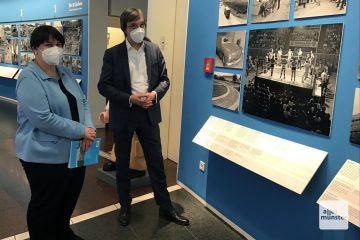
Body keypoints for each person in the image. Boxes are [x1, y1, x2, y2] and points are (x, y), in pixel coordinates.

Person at [98, 8, 190, 227]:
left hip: (148, 113)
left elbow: (165, 80)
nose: (139, 29)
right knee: (122, 166)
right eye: (133, 26)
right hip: (124, 113)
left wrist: (154, 94)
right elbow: (104, 86)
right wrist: (130, 98)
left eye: (141, 24)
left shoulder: (154, 50)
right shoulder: (113, 54)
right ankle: (125, 207)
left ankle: (166, 208)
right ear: (124, 29)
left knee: (156, 163)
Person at [15, 25, 96, 240]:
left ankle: (62, 232)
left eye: (59, 45)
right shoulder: (28, 78)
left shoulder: (65, 72)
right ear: (35, 49)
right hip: (43, 156)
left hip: (73, 151)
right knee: (45, 205)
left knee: (68, 199)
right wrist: (81, 130)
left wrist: (89, 128)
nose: (56, 49)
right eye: (48, 45)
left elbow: (83, 101)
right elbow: (43, 118)